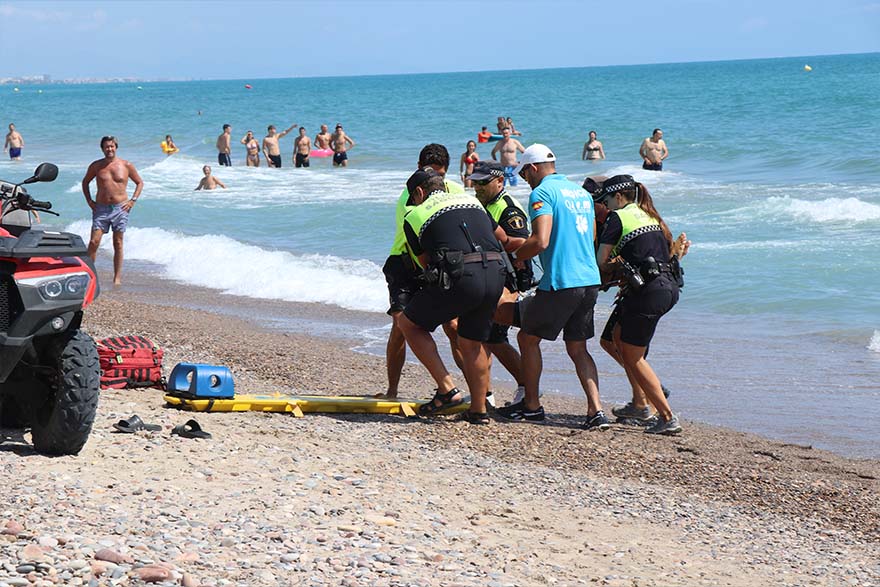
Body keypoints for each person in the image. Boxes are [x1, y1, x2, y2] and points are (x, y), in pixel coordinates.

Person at [496, 144, 609, 430]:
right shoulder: (581, 194)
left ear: (533, 168)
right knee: (578, 347)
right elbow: (592, 237)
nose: (524, 179)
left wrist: (516, 256)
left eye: (524, 173)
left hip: (562, 280)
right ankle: (596, 411)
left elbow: (541, 240)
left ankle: (532, 405)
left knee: (527, 338)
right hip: (589, 278)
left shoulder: (542, 193)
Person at [398, 168, 516, 425]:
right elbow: (504, 238)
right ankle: (479, 410)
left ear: (419, 192)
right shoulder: (472, 200)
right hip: (496, 272)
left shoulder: (414, 214)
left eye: (414, 197)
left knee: (408, 323)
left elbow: (425, 262)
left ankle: (447, 389)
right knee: (472, 341)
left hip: (463, 275)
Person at [594, 175, 684, 434]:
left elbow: (601, 261)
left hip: (647, 292)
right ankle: (641, 401)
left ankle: (666, 416)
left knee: (632, 357)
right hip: (668, 287)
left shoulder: (617, 217)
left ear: (619, 197)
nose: (606, 205)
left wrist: (613, 264)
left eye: (607, 200)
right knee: (617, 339)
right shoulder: (650, 216)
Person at [380, 144, 467, 399]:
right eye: (430, 173)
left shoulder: (457, 191)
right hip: (406, 262)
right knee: (400, 327)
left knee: (453, 326)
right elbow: (417, 239)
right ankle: (392, 390)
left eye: (439, 175)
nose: (434, 180)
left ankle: (480, 390)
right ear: (419, 170)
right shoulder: (410, 195)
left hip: (436, 262)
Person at [470, 160, 532, 402]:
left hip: (511, 278)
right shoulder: (484, 204)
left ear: (499, 181)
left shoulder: (508, 208)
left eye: (483, 183)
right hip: (491, 275)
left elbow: (522, 242)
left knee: (494, 336)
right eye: (475, 183)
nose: (477, 188)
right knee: (486, 336)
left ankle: (527, 386)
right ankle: (485, 393)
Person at [81, 136, 144, 286]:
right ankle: (89, 274)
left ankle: (117, 278)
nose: (109, 149)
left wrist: (133, 200)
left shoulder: (126, 165)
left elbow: (139, 182)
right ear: (102, 149)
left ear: (116, 147)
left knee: (118, 243)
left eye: (112, 146)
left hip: (120, 208)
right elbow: (85, 182)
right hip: (101, 209)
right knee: (94, 242)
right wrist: (89, 201)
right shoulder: (96, 166)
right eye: (106, 147)